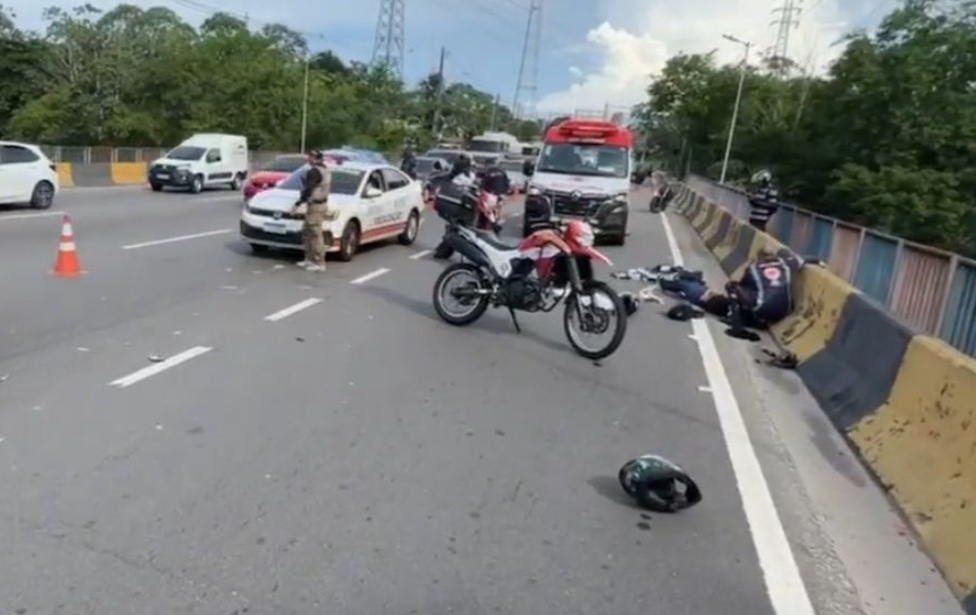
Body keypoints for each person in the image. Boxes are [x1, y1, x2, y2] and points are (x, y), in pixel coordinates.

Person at [291, 151, 332, 272]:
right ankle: (309, 259)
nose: (309, 158)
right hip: (320, 203)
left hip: (315, 205)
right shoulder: (325, 170)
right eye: (309, 156)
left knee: (314, 233)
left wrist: (298, 203)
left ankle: (319, 262)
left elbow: (309, 189)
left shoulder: (313, 172)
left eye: (312, 157)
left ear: (317, 158)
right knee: (307, 231)